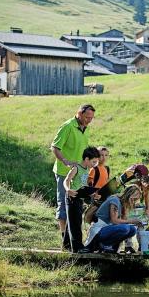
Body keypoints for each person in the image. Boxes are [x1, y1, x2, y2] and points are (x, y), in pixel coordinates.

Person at [51, 104, 95, 246]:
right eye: (87, 117)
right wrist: (65, 161)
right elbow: (55, 147)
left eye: (91, 118)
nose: (89, 120)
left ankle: (70, 239)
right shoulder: (68, 126)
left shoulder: (85, 129)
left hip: (80, 173)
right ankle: (65, 240)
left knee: (76, 206)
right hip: (65, 172)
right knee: (64, 205)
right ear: (79, 114)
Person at [83, 185, 143, 253]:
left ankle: (110, 246)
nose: (134, 201)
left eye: (135, 200)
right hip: (98, 231)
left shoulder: (122, 203)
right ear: (129, 195)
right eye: (134, 199)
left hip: (107, 228)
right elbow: (114, 221)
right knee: (125, 228)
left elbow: (123, 221)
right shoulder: (115, 200)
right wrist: (132, 221)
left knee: (132, 230)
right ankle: (102, 244)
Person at [64, 146, 100, 253]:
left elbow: (83, 185)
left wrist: (92, 194)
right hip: (72, 197)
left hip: (79, 198)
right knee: (76, 223)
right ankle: (77, 247)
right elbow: (66, 180)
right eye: (93, 162)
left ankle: (66, 245)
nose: (94, 164)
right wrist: (68, 190)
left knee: (72, 221)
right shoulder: (76, 168)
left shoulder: (87, 169)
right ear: (86, 159)